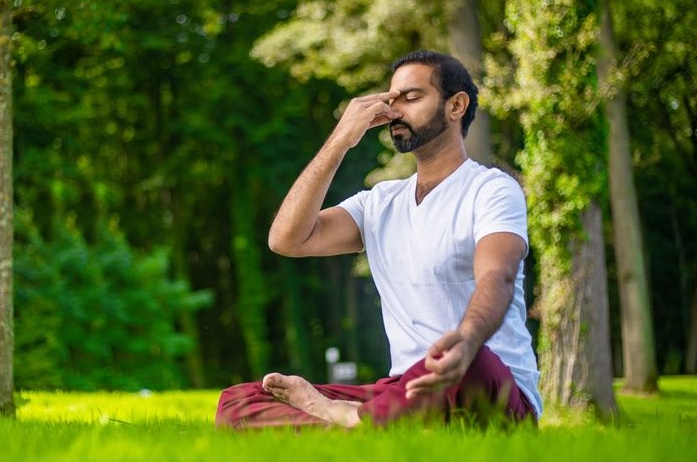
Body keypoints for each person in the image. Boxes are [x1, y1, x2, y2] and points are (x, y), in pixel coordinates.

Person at [215, 50, 542, 429]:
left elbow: (497, 276)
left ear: (456, 105)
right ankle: (362, 424)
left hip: (487, 387)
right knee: (239, 402)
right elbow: (286, 240)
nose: (395, 110)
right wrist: (340, 140)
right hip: (404, 390)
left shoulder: (491, 190)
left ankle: (351, 420)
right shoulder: (379, 202)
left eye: (411, 97)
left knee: (472, 363)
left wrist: (467, 341)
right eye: (392, 99)